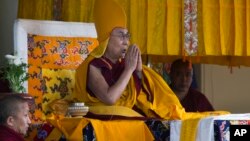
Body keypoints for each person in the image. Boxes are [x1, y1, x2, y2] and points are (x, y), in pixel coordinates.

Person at [73, 0, 227, 120]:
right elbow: (110, 98)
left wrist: (139, 73)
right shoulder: (93, 65)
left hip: (127, 117)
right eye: (120, 35)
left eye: (127, 36)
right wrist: (129, 69)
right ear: (106, 38)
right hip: (103, 119)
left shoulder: (121, 65)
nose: (126, 41)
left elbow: (139, 97)